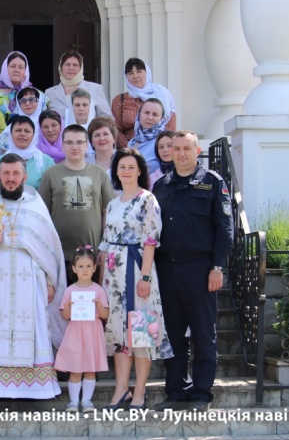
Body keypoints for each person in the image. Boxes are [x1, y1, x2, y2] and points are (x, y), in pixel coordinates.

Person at [0, 154, 67, 400]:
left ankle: (35, 387)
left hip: (31, 280)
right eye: (6, 174)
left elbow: (50, 248)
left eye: (15, 174)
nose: (10, 179)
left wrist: (50, 281)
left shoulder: (35, 203)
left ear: (25, 176)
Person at [152, 130, 233, 412]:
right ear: (170, 152)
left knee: (202, 333)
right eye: (176, 148)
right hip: (167, 269)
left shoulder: (212, 183)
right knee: (173, 334)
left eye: (187, 148)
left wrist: (218, 267)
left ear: (197, 151)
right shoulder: (161, 186)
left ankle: (200, 393)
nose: (181, 153)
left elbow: (225, 229)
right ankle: (176, 390)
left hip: (200, 269)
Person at [99, 148, 173, 411]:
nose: (126, 171)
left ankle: (140, 391)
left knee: (141, 332)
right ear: (116, 171)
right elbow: (106, 242)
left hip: (138, 269)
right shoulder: (112, 203)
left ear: (140, 170)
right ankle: (121, 390)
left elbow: (151, 240)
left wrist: (144, 276)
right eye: (122, 166)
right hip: (114, 275)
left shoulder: (147, 199)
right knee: (119, 334)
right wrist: (102, 279)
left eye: (131, 166)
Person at [38, 125, 115, 285]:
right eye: (70, 142)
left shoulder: (99, 173)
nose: (75, 147)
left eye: (80, 142)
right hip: (59, 254)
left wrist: (104, 247)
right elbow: (42, 214)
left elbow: (107, 212)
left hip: (91, 255)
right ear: (63, 145)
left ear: (87, 145)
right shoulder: (50, 174)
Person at [54, 246, 109, 414]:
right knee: (76, 369)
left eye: (88, 266)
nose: (84, 270)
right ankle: (73, 402)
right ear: (74, 269)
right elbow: (64, 315)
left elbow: (106, 314)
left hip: (93, 333)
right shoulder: (70, 291)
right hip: (76, 333)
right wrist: (68, 309)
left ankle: (86, 402)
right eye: (80, 266)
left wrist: (100, 307)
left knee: (90, 369)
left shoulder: (99, 290)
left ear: (94, 268)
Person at [112, 58, 176, 148]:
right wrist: (130, 150)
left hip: (158, 149)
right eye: (130, 73)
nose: (135, 76)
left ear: (147, 72)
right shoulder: (119, 100)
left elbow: (170, 125)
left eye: (139, 71)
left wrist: (158, 147)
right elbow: (116, 129)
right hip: (130, 151)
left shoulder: (161, 95)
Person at [0, 115, 54, 190]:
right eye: (18, 130)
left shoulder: (46, 162)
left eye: (27, 131)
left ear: (34, 136)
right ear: (11, 134)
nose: (22, 134)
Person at [46, 50, 112, 120]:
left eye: (75, 65)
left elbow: (107, 118)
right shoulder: (49, 93)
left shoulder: (95, 89)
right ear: (61, 67)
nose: (71, 68)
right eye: (67, 64)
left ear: (81, 68)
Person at [0, 51, 48, 120]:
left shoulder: (39, 96)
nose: (16, 70)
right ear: (5, 69)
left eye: (21, 67)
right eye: (13, 66)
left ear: (26, 71)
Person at [0, 86, 46, 155]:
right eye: (23, 101)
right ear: (18, 104)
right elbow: (4, 155)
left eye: (32, 99)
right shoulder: (11, 128)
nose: (27, 103)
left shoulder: (46, 125)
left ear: (39, 102)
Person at [128, 98, 169, 174]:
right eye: (146, 113)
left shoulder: (165, 142)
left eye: (155, 114)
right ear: (139, 114)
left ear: (162, 119)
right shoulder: (132, 142)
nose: (150, 118)